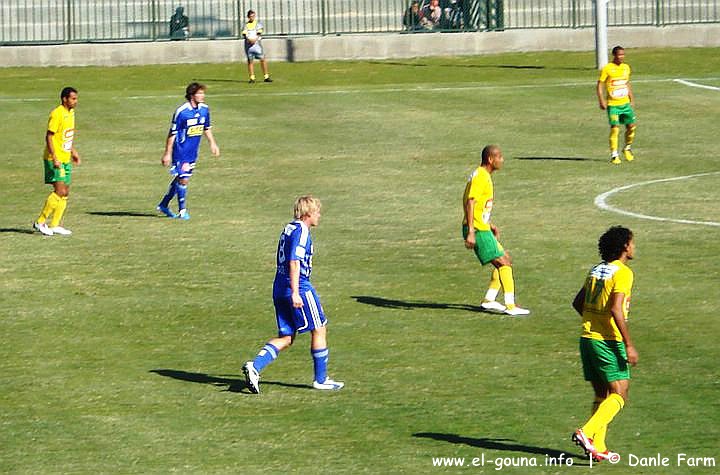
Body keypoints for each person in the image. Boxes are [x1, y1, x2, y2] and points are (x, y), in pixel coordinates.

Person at [243, 196, 344, 394]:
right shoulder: (302, 233)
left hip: (279, 286)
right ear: (308, 214)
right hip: (298, 287)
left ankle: (254, 367)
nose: (319, 215)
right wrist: (297, 292)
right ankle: (321, 379)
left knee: (287, 337)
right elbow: (294, 261)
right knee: (319, 328)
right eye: (317, 212)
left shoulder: (289, 228)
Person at [571, 226, 638, 463]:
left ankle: (597, 446)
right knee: (620, 393)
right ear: (624, 247)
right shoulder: (623, 273)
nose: (633, 246)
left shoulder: (595, 270)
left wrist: (593, 322)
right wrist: (628, 344)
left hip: (587, 339)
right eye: (631, 242)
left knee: (602, 393)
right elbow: (616, 309)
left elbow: (577, 302)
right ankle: (586, 433)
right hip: (608, 342)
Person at [462, 145, 530, 316]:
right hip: (477, 229)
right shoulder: (481, 177)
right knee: (503, 263)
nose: (502, 160)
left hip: (481, 226)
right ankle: (510, 306)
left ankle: (489, 300)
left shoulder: (482, 175)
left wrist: (489, 223)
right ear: (490, 159)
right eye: (499, 157)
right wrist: (471, 230)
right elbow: (470, 201)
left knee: (505, 259)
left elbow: (477, 204)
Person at [156, 82, 220, 220]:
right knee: (184, 179)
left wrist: (213, 144)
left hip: (192, 152)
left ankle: (164, 204)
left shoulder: (204, 109)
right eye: (200, 93)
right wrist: (167, 153)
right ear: (192, 95)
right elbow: (172, 133)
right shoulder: (182, 112)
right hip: (181, 151)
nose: (203, 96)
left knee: (181, 178)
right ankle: (182, 210)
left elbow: (206, 127)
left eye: (203, 93)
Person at [33, 87, 81, 236]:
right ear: (64, 99)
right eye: (73, 99)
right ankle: (40, 222)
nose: (76, 101)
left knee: (65, 192)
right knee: (59, 191)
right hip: (54, 159)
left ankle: (55, 225)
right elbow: (49, 136)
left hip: (65, 158)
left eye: (76, 98)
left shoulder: (71, 113)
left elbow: (65, 136)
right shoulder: (57, 114)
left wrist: (72, 151)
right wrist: (54, 156)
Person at [597, 46, 637, 164]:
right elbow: (600, 84)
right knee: (615, 129)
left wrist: (631, 98)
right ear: (614, 55)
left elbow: (627, 83)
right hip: (613, 105)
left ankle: (627, 148)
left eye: (623, 54)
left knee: (631, 126)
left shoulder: (626, 68)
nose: (621, 57)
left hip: (625, 104)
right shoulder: (607, 68)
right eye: (619, 55)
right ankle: (614, 155)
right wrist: (601, 100)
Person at [242, 10, 272, 84]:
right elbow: (244, 34)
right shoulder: (245, 25)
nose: (252, 18)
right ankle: (252, 78)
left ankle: (266, 76)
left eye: (253, 16)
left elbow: (259, 33)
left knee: (262, 59)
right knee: (250, 61)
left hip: (256, 45)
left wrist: (255, 39)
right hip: (249, 46)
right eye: (251, 16)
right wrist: (249, 39)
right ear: (248, 17)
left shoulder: (258, 24)